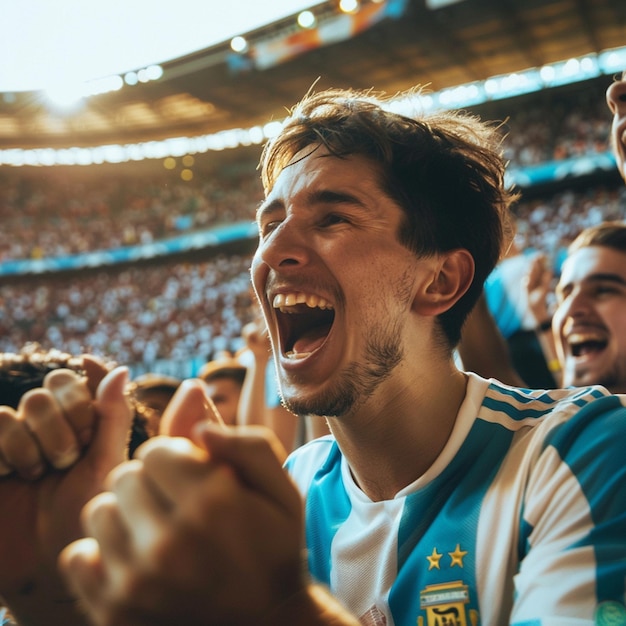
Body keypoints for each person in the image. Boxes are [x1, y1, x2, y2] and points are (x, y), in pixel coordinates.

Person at [3, 85, 626, 626]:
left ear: (439, 282)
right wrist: (60, 598)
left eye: (332, 218)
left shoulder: (583, 451)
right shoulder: (287, 492)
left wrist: (276, 613)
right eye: (269, 224)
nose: (274, 252)